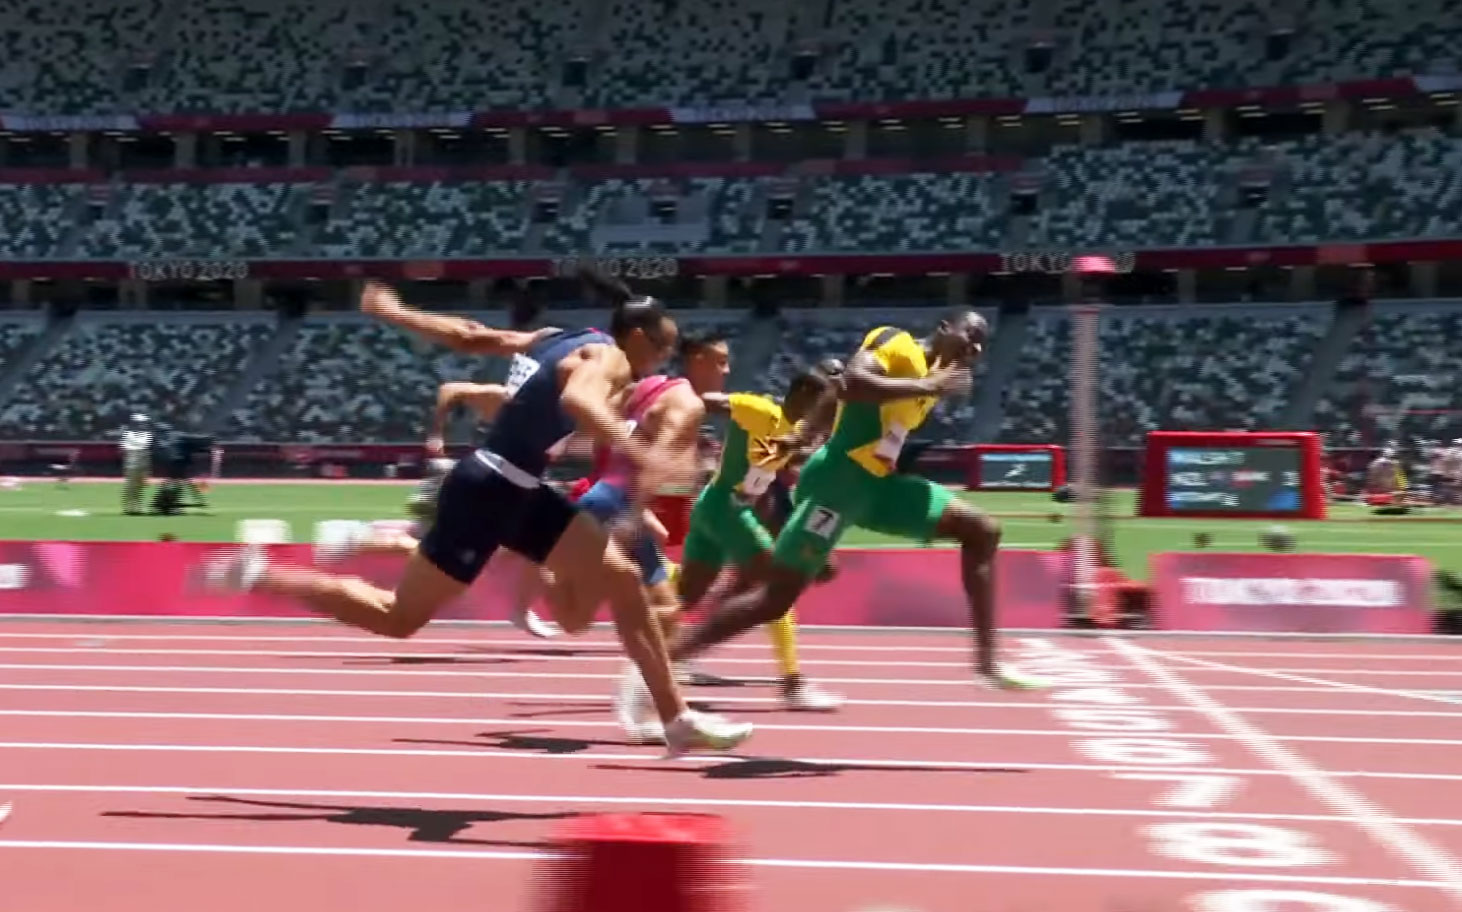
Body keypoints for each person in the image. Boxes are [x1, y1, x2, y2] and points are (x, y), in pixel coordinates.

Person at [195, 280, 753, 757]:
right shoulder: (606, 358)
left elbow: (470, 336)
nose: (660, 366)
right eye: (663, 352)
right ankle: (259, 574)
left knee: (624, 579)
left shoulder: (556, 338)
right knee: (397, 618)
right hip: (488, 489)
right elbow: (584, 403)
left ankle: (676, 720)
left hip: (520, 488)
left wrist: (393, 312)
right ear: (638, 340)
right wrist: (623, 443)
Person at [645, 312, 1045, 703]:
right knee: (774, 597)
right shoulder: (898, 343)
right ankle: (659, 671)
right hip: (837, 483)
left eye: (981, 344)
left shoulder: (938, 379)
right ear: (943, 328)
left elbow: (836, 393)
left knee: (982, 531)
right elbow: (852, 381)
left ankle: (988, 664)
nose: (973, 348)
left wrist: (803, 433)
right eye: (968, 335)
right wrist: (929, 383)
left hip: (878, 486)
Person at [661, 365, 845, 714]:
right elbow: (708, 401)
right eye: (824, 409)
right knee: (778, 585)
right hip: (723, 506)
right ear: (804, 396)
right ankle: (792, 683)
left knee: (686, 594)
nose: (825, 419)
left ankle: (651, 654)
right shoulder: (761, 410)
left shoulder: (796, 433)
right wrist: (664, 412)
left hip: (716, 508)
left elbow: (771, 480)